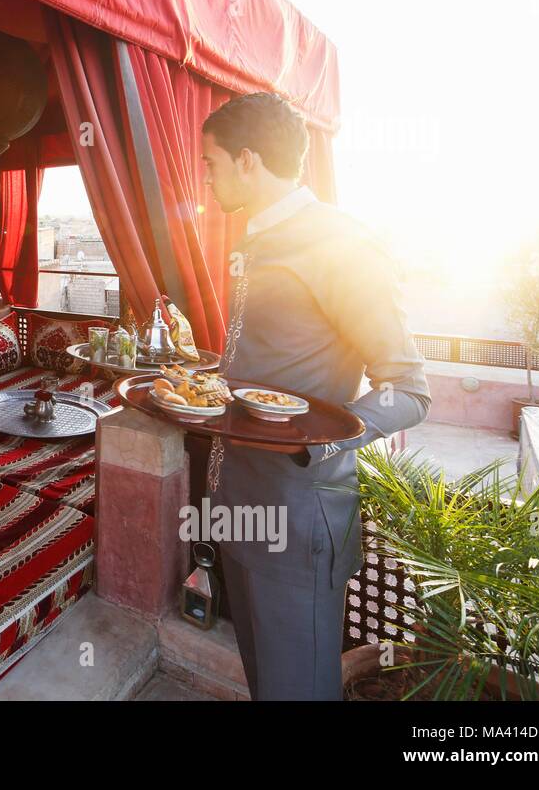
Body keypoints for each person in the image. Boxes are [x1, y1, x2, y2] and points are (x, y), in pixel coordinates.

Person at [198, 93, 430, 700]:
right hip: (239, 501)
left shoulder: (341, 243)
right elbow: (267, 357)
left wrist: (311, 443)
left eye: (212, 163)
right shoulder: (258, 238)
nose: (207, 176)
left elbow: (408, 388)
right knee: (263, 679)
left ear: (248, 161)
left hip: (298, 514)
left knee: (296, 689)